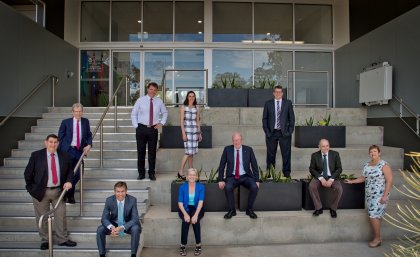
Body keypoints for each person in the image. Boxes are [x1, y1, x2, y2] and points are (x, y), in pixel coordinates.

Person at [24, 134, 77, 250]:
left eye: (55, 142)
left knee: (61, 215)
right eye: (51, 142)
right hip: (41, 193)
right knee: (42, 217)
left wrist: (69, 181)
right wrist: (31, 189)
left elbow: (70, 172)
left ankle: (62, 239)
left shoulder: (64, 155)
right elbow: (28, 173)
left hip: (59, 191)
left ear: (58, 144)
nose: (53, 144)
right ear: (46, 142)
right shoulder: (36, 155)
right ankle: (45, 240)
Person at [345, 145, 392, 248]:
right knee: (375, 215)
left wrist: (385, 196)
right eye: (371, 152)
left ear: (379, 153)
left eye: (375, 151)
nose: (373, 153)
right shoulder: (367, 165)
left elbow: (389, 180)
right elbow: (363, 178)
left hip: (380, 195)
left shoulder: (384, 165)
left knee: (373, 215)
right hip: (370, 195)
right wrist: (352, 181)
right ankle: (378, 236)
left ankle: (377, 239)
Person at [131, 82, 168, 181]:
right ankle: (141, 173)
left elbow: (165, 113)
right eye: (151, 89)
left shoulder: (159, 101)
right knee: (141, 152)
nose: (153, 92)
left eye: (155, 90)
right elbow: (133, 114)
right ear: (148, 89)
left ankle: (151, 173)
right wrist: (136, 126)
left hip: (153, 129)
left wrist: (162, 123)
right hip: (141, 129)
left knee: (152, 153)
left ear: (156, 91)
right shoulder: (140, 100)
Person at [217, 132, 259, 219]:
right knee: (228, 188)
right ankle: (232, 210)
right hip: (232, 177)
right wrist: (220, 179)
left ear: (241, 140)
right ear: (232, 141)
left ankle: (249, 209)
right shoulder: (227, 149)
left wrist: (257, 180)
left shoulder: (249, 149)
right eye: (235, 140)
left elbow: (254, 165)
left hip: (245, 176)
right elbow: (221, 165)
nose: (237, 142)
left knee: (254, 187)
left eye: (238, 140)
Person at [58, 103, 92, 204]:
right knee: (66, 173)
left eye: (80, 111)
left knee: (78, 173)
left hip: (78, 151)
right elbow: (60, 137)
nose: (78, 113)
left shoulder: (85, 122)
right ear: (72, 112)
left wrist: (89, 144)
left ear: (82, 112)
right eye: (76, 111)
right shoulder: (65, 122)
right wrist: (60, 152)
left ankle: (67, 192)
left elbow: (89, 135)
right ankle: (70, 196)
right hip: (67, 150)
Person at [96, 181, 141, 257]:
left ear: (126, 191)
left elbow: (135, 219)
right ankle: (102, 254)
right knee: (100, 229)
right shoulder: (109, 200)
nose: (120, 194)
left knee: (136, 228)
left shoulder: (132, 200)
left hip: (127, 224)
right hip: (114, 223)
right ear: (114, 192)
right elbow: (104, 218)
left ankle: (133, 254)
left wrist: (122, 227)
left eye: (122, 191)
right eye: (118, 191)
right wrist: (111, 227)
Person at [262, 85, 295, 177]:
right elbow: (264, 119)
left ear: (282, 93)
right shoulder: (268, 103)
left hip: (284, 133)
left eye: (280, 92)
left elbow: (292, 118)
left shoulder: (288, 103)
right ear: (273, 93)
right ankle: (270, 173)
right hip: (271, 133)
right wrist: (267, 132)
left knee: (286, 154)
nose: (278, 93)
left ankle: (287, 173)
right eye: (276, 92)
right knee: (270, 154)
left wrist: (289, 131)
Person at [309, 138, 343, 218]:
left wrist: (331, 179)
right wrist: (321, 178)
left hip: (332, 176)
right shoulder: (315, 155)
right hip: (319, 177)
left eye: (327, 146)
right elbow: (312, 169)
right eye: (323, 146)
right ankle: (318, 208)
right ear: (319, 147)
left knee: (339, 189)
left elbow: (339, 168)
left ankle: (333, 208)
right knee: (312, 186)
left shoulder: (335, 154)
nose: (325, 148)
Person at [177, 168, 205, 256]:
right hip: (185, 208)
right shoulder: (182, 187)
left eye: (194, 175)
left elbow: (201, 202)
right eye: (190, 175)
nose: (192, 176)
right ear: (187, 176)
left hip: (197, 208)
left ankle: (198, 245)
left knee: (195, 221)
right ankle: (182, 245)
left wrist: (196, 215)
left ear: (196, 176)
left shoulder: (201, 187)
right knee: (186, 221)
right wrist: (185, 214)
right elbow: (180, 203)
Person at [178, 91, 202, 180]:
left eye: (193, 96)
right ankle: (180, 171)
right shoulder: (183, 107)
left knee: (191, 154)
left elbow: (198, 122)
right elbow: (181, 123)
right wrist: (183, 133)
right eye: (190, 96)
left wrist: (199, 133)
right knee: (188, 152)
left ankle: (190, 171)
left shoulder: (197, 108)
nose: (191, 97)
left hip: (195, 132)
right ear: (187, 97)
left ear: (195, 97)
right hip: (187, 132)